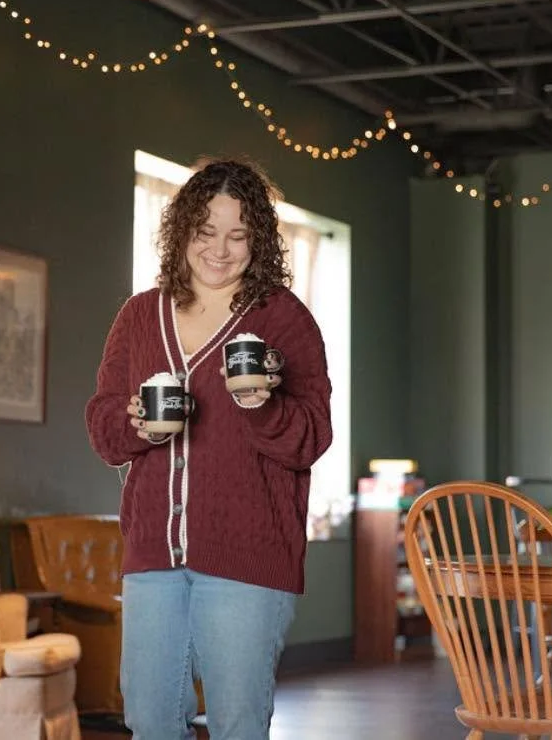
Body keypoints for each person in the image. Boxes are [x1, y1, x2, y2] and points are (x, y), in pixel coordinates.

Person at [85, 158, 333, 740]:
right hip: (153, 556)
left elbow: (312, 437)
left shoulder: (284, 320)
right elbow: (103, 425)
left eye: (238, 235)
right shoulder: (139, 316)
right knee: (148, 719)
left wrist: (261, 406)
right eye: (205, 232)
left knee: (237, 724)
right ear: (182, 233)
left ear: (259, 242)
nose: (220, 250)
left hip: (248, 555)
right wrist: (143, 430)